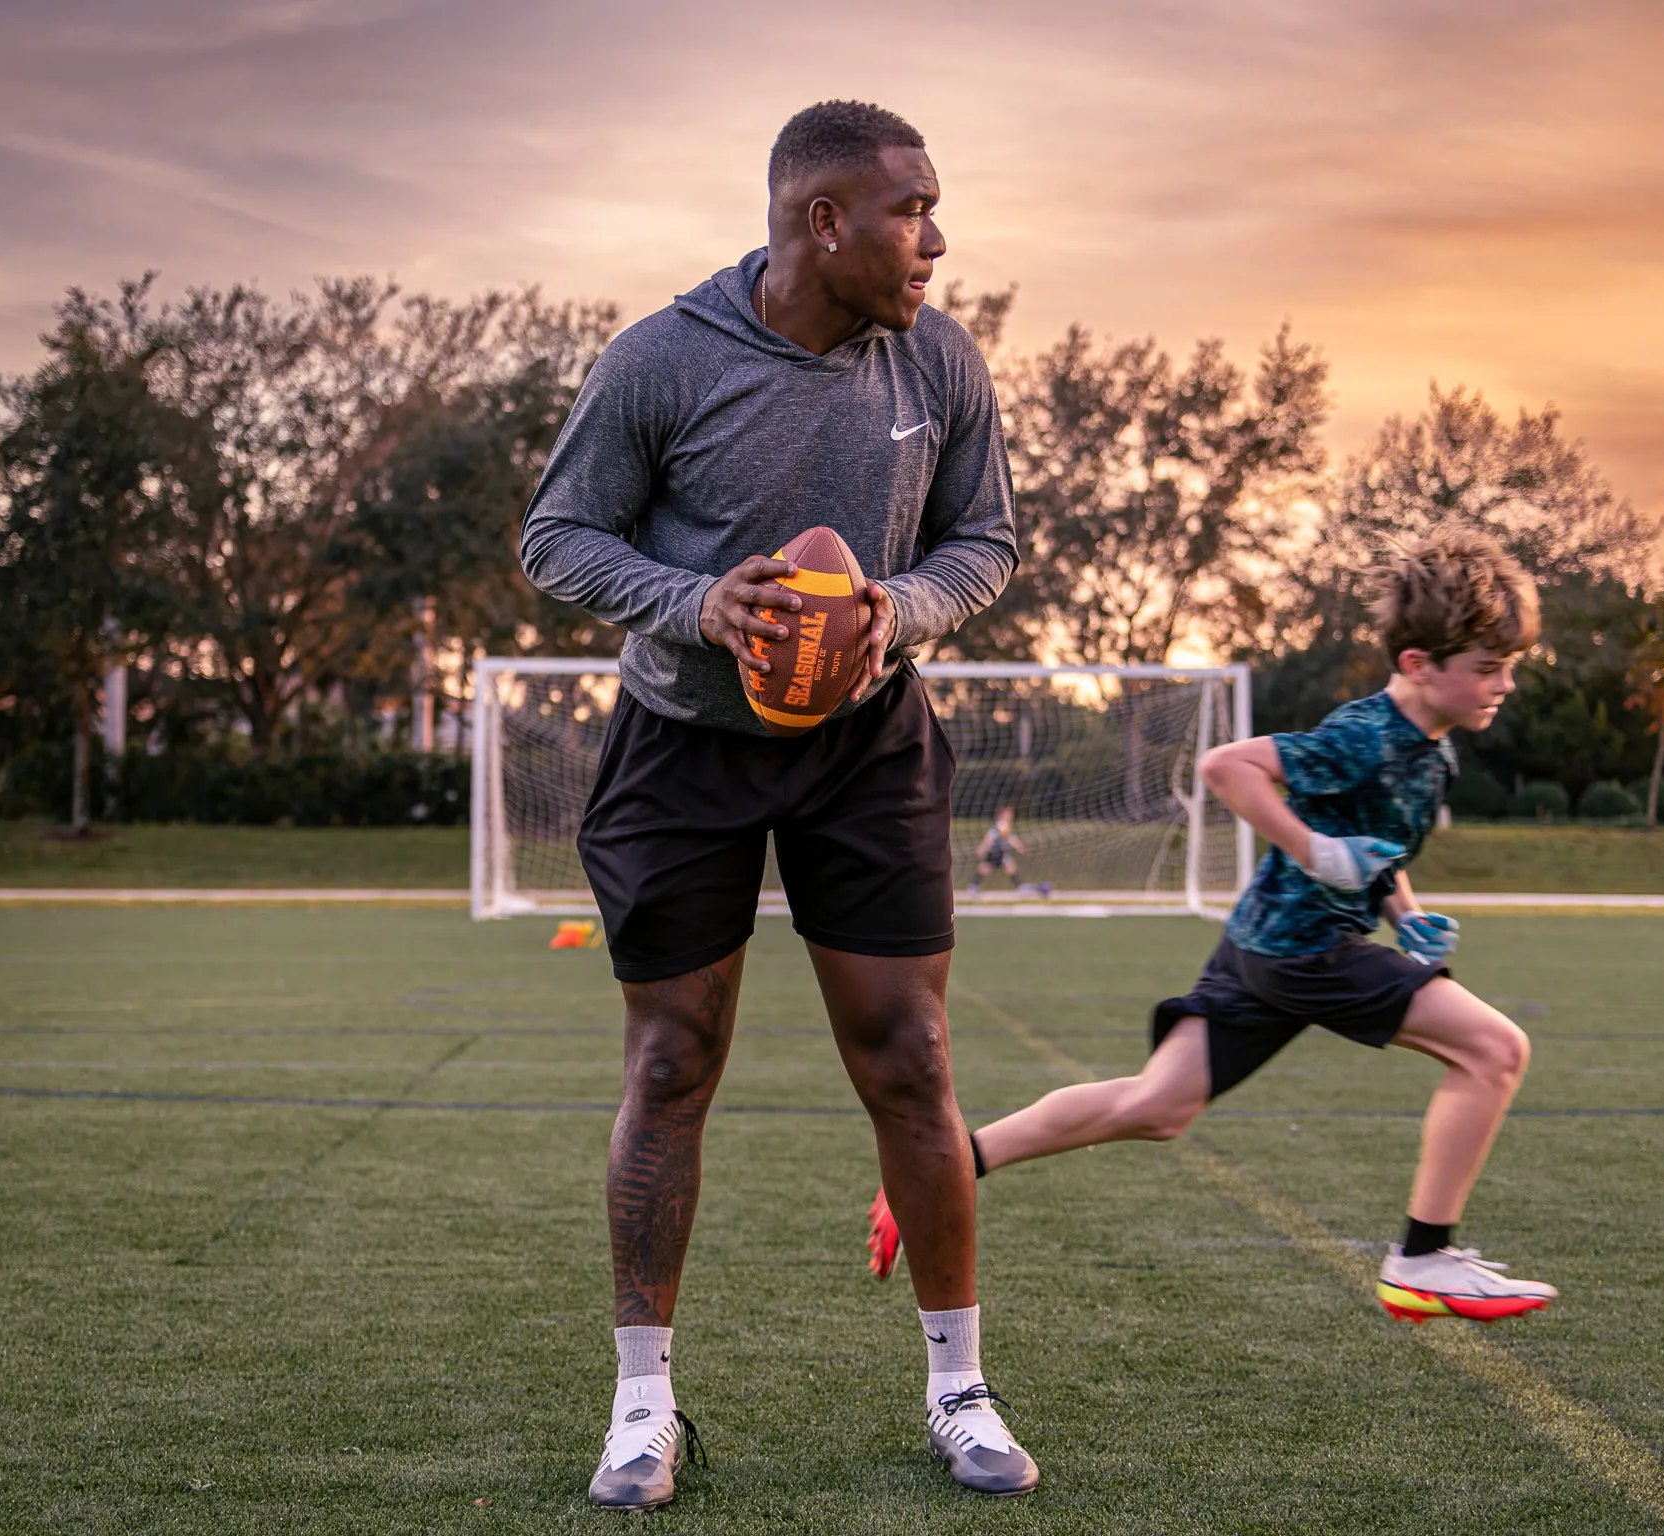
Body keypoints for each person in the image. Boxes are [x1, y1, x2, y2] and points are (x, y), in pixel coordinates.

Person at [520, 100, 1038, 1508]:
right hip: (683, 744)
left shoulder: (937, 357)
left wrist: (903, 607)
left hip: (867, 742)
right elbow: (555, 535)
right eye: (911, 210)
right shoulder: (663, 358)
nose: (936, 239)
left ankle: (961, 1386)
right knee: (673, 1062)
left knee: (912, 1056)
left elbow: (983, 537)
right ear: (825, 220)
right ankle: (641, 1404)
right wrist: (698, 601)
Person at [868, 528, 1559, 1329]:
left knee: (1155, 1106)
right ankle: (1422, 1256)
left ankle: (946, 1170)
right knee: (1496, 1050)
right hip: (1306, 950)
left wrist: (1407, 916)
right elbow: (1226, 767)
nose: (1503, 684)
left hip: (1263, 948)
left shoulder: (1433, 751)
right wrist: (1317, 852)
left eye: (1508, 667)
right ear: (1417, 665)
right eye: (1487, 668)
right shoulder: (1368, 734)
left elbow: (1372, 841)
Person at [966, 805, 1049, 896]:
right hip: (995, 852)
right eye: (1008, 813)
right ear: (1002, 815)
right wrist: (1020, 847)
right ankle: (973, 887)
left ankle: (973, 886)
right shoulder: (1002, 825)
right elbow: (1003, 838)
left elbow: (997, 836)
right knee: (986, 868)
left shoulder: (1002, 825)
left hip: (1000, 852)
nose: (1011, 815)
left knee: (1009, 866)